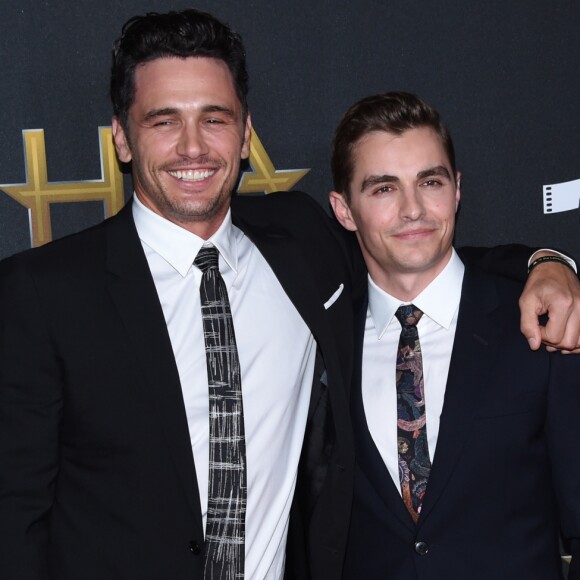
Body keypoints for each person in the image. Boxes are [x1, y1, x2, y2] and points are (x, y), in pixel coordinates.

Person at [0, 10, 578, 580]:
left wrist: (547, 263)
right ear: (122, 138)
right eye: (164, 121)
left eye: (215, 118)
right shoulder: (42, 293)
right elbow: (16, 516)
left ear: (246, 131)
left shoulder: (298, 244)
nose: (193, 147)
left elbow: (414, 252)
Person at [329, 91, 580, 579]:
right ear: (343, 210)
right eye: (384, 189)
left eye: (430, 182)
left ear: (457, 189)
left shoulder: (542, 326)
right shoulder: (324, 340)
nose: (413, 209)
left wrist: (552, 262)